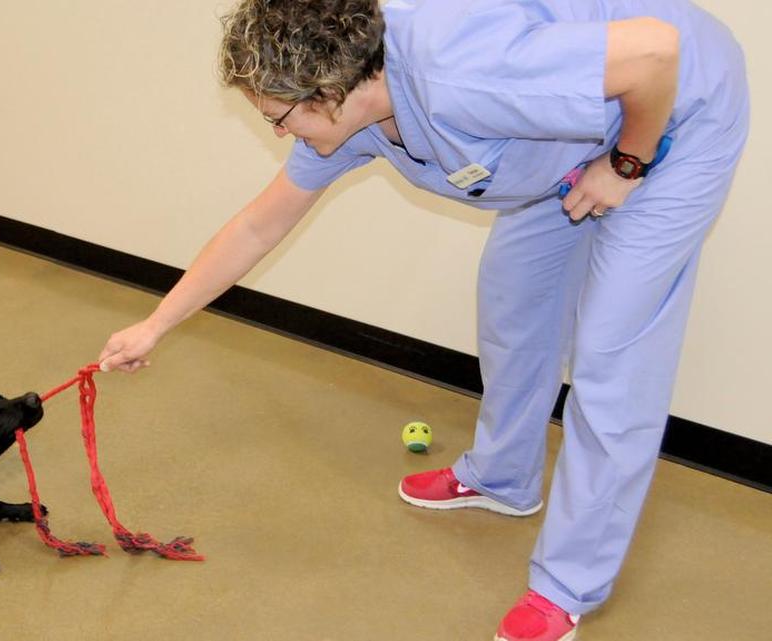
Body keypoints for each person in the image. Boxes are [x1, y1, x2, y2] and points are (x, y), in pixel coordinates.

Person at [96, 1, 749, 639]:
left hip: (674, 118)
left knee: (612, 357)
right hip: (569, 142)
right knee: (514, 300)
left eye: (278, 117)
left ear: (330, 89)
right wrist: (155, 324)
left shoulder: (458, 66)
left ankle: (565, 587)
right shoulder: (351, 119)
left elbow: (657, 53)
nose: (278, 133)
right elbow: (258, 224)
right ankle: (504, 476)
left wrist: (628, 163)